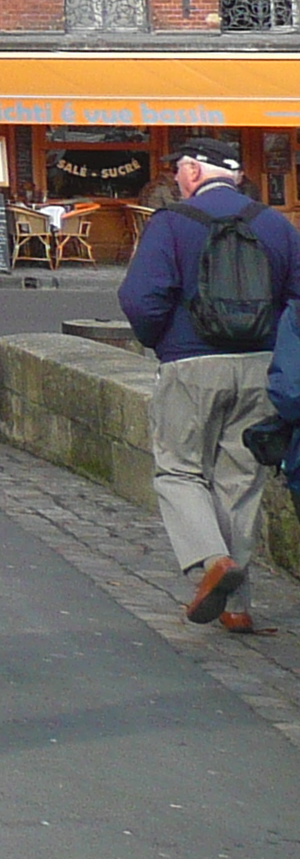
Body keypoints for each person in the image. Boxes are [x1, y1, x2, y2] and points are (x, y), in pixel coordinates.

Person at [121, 134, 300, 631]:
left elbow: (141, 298)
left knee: (179, 470)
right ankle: (237, 606)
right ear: (239, 175)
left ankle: (210, 559)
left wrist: (164, 342)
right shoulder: (276, 225)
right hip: (261, 366)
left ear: (195, 172)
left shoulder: (171, 224)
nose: (175, 179)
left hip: (190, 363)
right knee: (241, 482)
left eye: (177, 169)